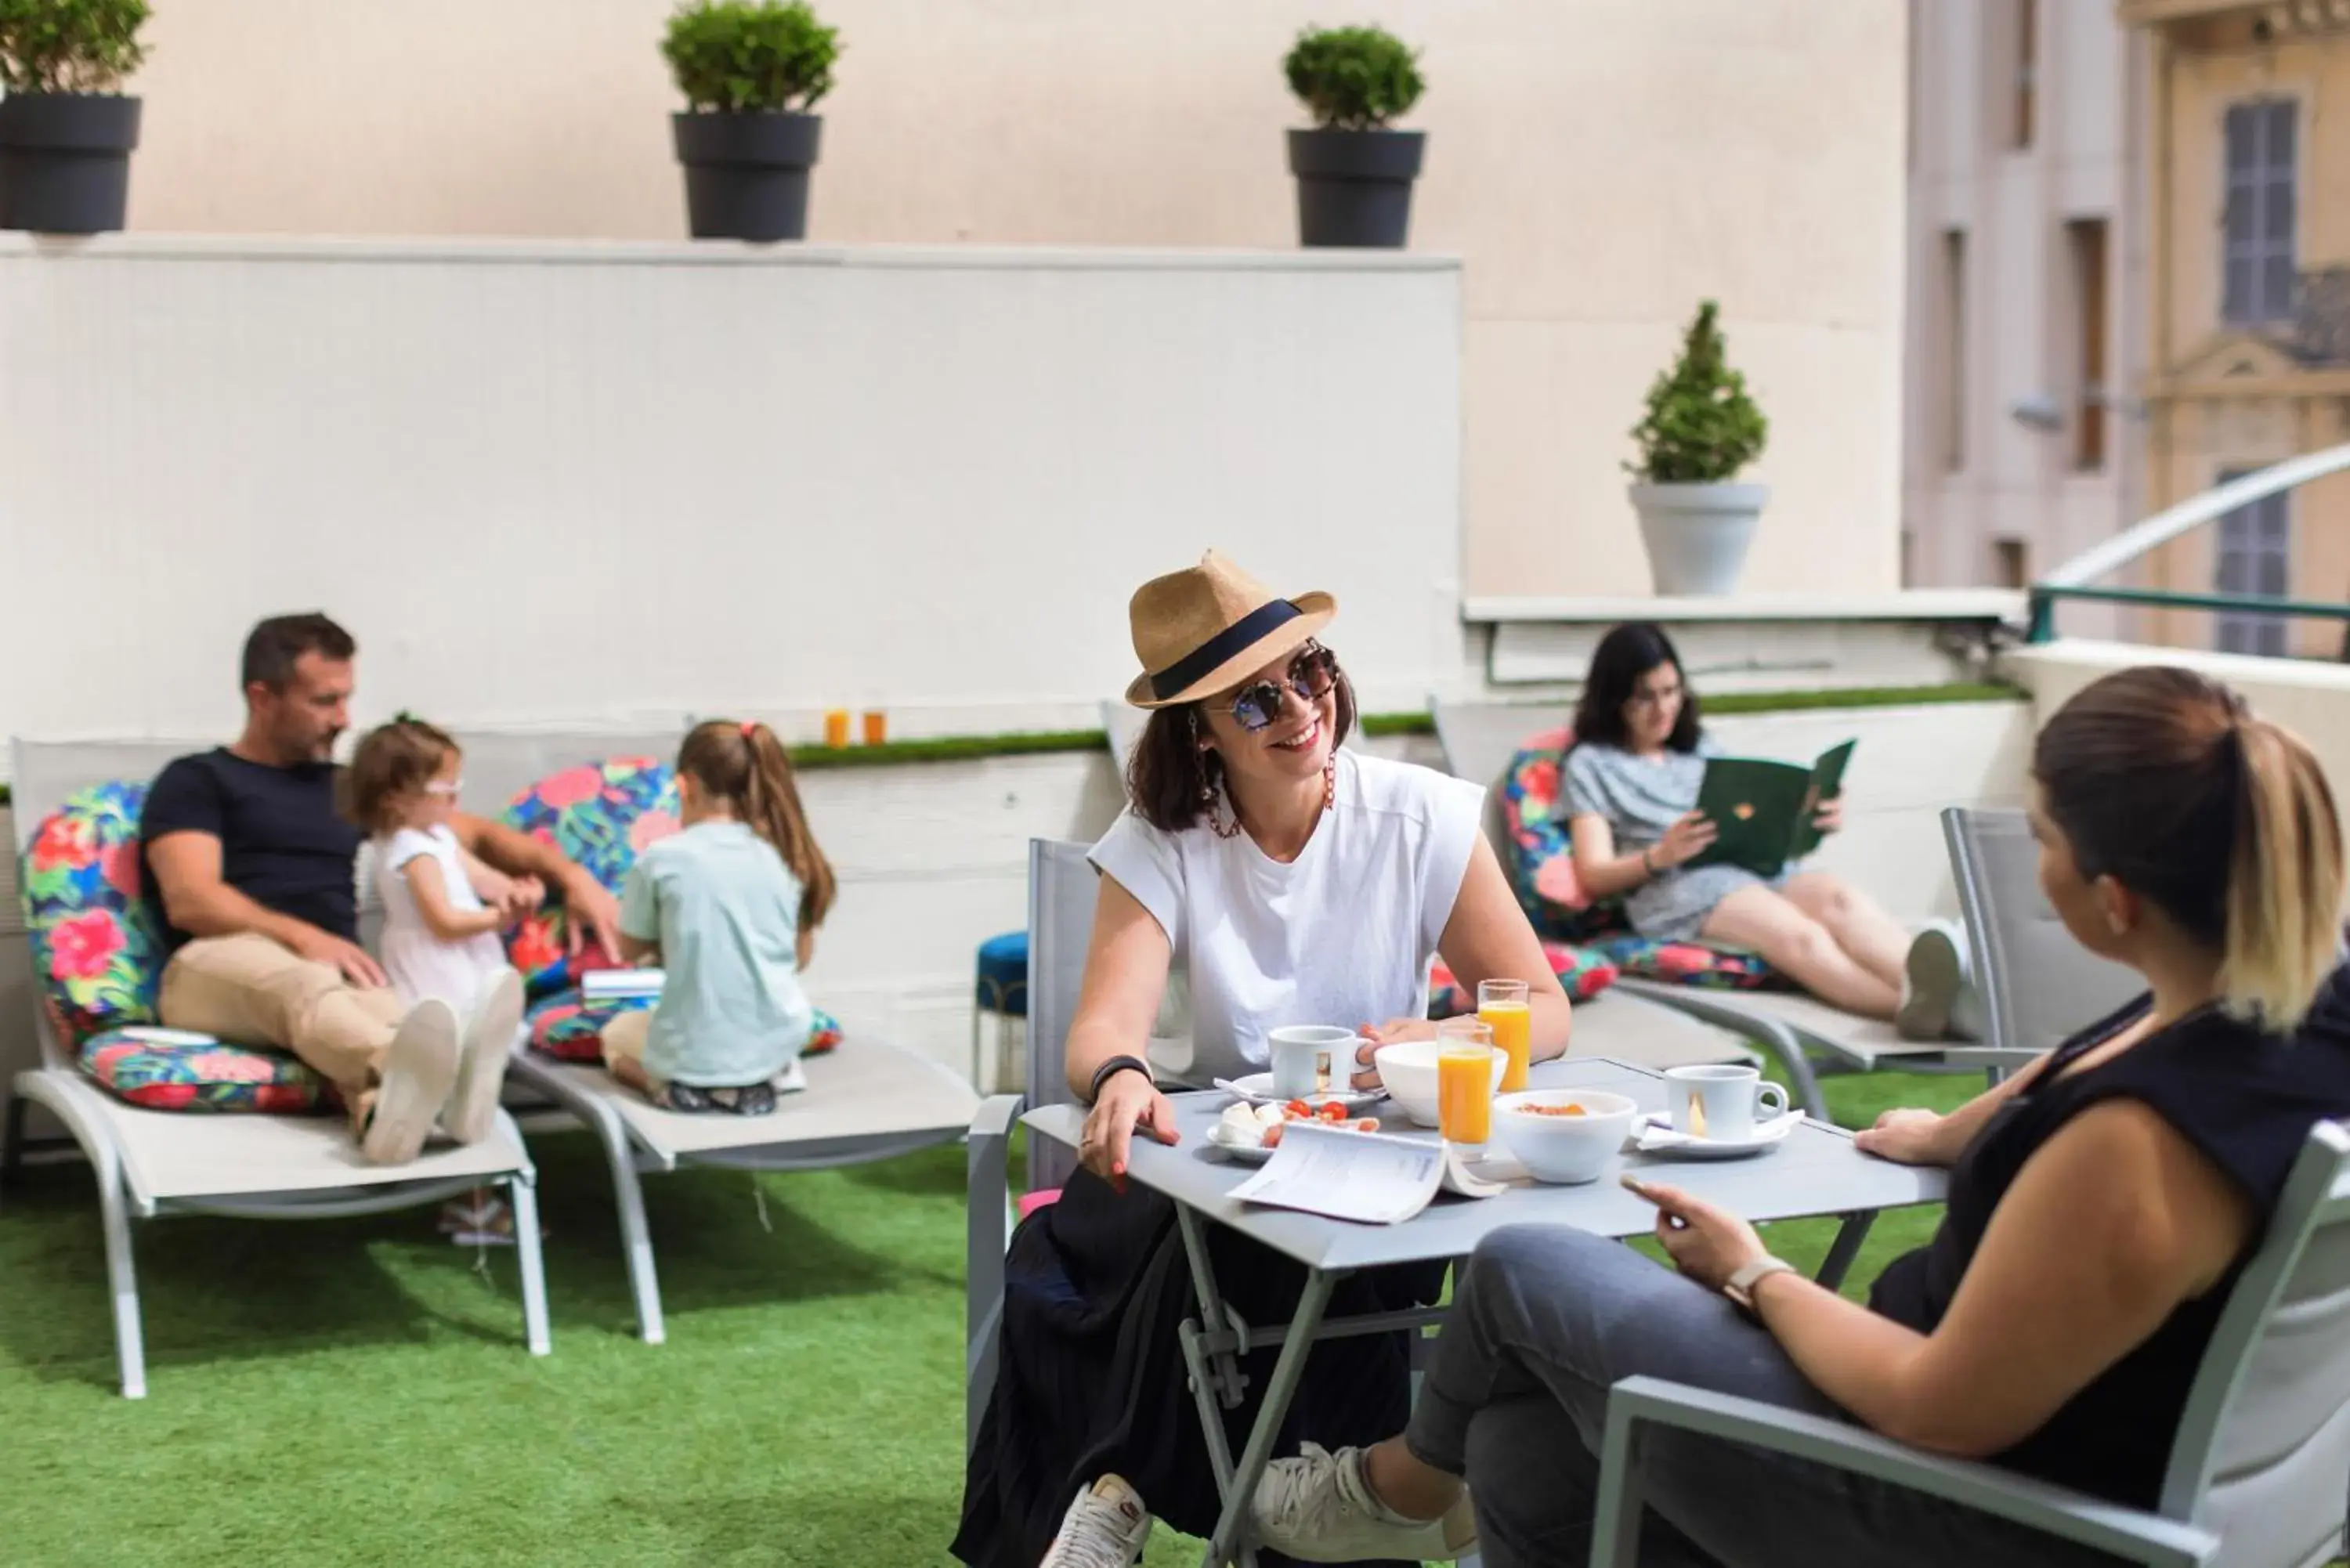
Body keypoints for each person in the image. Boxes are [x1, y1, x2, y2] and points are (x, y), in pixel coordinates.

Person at [1249, 663, 2350, 1568]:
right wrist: (1942, 1132)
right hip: (2056, 1467)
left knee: (1520, 1262)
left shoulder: (2137, 1150)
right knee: (1526, 1447)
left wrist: (1754, 1272)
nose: (2037, 861)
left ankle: (1384, 1493)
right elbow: (2092, 1057)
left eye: (2048, 839)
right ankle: (1426, 1482)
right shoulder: (2278, 1004)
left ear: (2115, 901)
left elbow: (1939, 1407)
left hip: (1948, 1503)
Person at [954, 551, 1574, 1568]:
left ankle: (1117, 1488)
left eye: (1311, 670)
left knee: (1254, 1242)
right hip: (1222, 1151)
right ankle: (1302, 1509)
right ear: (1199, 729)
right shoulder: (1165, 836)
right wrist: (1120, 1078)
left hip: (1387, 1166)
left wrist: (1458, 1033)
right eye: (1253, 700)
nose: (1298, 707)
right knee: (1212, 1228)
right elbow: (1102, 1032)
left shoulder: (1424, 816)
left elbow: (1542, 1008)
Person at [140, 613, 624, 1164]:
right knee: (313, 991)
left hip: (336, 978)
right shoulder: (197, 780)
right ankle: (447, 1079)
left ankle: (381, 1116)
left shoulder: (345, 789)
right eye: (324, 701)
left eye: (346, 698)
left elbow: (474, 836)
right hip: (214, 968)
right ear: (263, 696)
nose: (343, 719)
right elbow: (192, 898)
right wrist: (304, 937)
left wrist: (574, 878)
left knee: (392, 1016)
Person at [1556, 620, 1972, 1035]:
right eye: (1644, 697)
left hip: (1750, 863)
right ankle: (1928, 1014)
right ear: (1614, 700)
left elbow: (1745, 816)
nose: (1663, 709)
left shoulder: (1698, 749)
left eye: (1671, 692)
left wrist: (1810, 820)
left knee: (1842, 900)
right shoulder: (1592, 765)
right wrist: (1660, 855)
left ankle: (1962, 992)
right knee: (1802, 936)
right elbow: (1592, 875)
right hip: (1678, 885)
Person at [599, 719, 837, 1115]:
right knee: (762, 1030)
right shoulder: (788, 857)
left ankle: (667, 1086)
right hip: (779, 1036)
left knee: (615, 1034)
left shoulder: (660, 859)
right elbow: (799, 958)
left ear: (684, 786)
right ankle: (762, 1077)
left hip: (689, 1052)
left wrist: (672, 942)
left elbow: (629, 948)